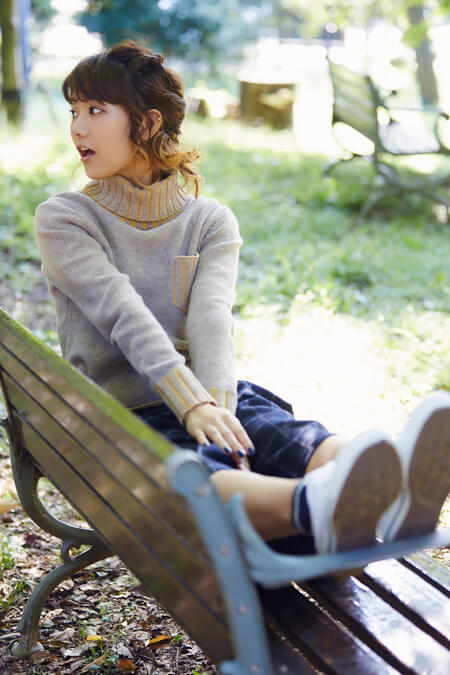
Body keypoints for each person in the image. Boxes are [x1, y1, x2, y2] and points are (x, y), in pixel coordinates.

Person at [34, 40, 450, 557]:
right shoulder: (66, 219)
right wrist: (193, 408)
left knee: (290, 438)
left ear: (147, 123)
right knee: (198, 472)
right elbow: (123, 313)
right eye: (74, 112)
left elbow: (211, 321)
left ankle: (400, 491)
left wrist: (216, 410)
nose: (77, 128)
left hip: (212, 394)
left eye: (95, 110)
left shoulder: (210, 221)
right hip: (127, 413)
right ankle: (322, 509)